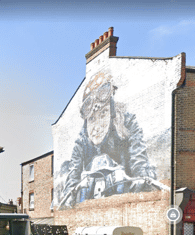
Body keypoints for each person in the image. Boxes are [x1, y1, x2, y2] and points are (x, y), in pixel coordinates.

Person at [58, 71, 162, 208]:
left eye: (103, 114)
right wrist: (69, 199)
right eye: (92, 119)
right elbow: (73, 176)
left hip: (125, 199)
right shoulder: (81, 140)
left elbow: (139, 159)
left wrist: (141, 182)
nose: (96, 127)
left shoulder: (128, 123)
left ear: (112, 113)